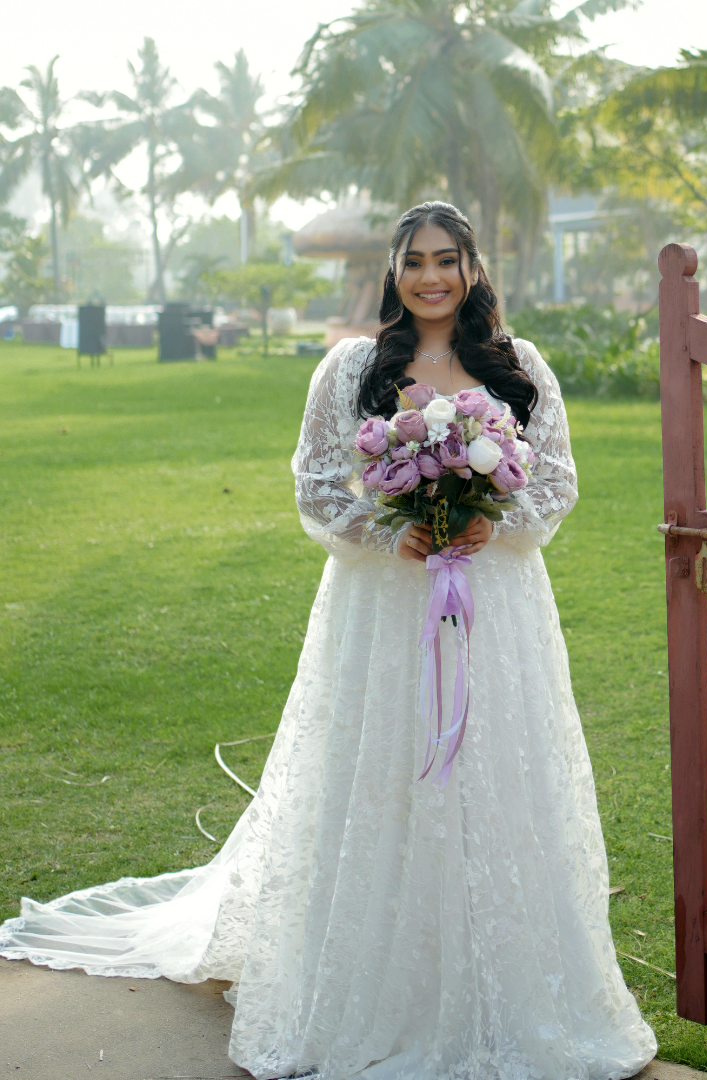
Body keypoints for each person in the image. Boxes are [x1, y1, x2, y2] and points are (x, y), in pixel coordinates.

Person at [0, 201, 657, 1080]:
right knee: (385, 766)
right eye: (415, 261)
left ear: (473, 268)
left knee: (493, 768)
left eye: (447, 260)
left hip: (494, 600)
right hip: (383, 607)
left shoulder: (519, 365)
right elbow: (316, 485)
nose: (431, 277)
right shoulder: (351, 367)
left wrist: (486, 525)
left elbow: (558, 479)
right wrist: (398, 532)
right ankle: (369, 979)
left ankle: (503, 980)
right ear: (394, 271)